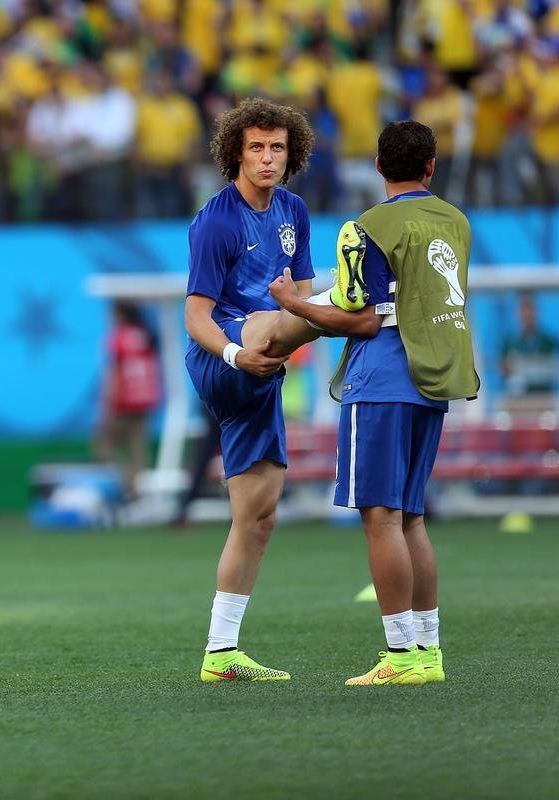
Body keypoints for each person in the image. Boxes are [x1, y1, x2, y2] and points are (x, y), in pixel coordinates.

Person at [183, 98, 378, 683]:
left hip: (265, 367)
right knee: (282, 318)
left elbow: (301, 296)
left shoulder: (293, 209)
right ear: (234, 155)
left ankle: (221, 652)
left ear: (291, 155)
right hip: (223, 353)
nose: (267, 159)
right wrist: (235, 351)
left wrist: (313, 319)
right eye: (256, 148)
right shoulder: (215, 220)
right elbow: (195, 315)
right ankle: (373, 304)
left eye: (277, 148)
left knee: (258, 516)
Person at [325, 121, 478, 685]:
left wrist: (295, 303)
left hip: (383, 377)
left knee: (380, 516)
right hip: (433, 378)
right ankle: (429, 653)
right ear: (431, 166)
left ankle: (399, 655)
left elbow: (357, 312)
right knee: (411, 516)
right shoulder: (457, 223)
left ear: (377, 166)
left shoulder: (366, 226)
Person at [95, 301, 160, 500]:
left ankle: (125, 485)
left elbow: (115, 372)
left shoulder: (119, 337)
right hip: (145, 400)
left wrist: (107, 400)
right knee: (138, 448)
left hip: (123, 401)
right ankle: (137, 490)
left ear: (120, 314)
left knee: (104, 443)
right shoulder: (146, 335)